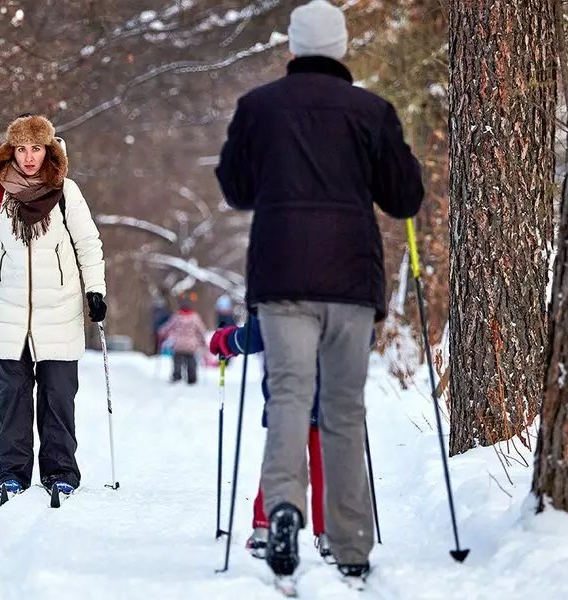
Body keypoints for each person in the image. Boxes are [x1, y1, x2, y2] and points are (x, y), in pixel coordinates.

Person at [214, 0, 424, 583]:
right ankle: (350, 541)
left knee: (287, 396)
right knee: (342, 410)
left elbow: (236, 189)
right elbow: (404, 198)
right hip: (352, 280)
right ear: (341, 48)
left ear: (292, 47)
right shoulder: (371, 111)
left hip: (282, 278)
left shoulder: (258, 108)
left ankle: (283, 509)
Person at [0, 114, 108, 503]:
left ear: (48, 150)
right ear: (11, 151)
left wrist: (95, 291)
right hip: (7, 314)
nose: (28, 158)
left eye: (36, 149)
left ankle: (60, 473)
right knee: (11, 400)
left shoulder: (67, 192)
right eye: (21, 149)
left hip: (59, 313)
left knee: (58, 399)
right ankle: (11, 473)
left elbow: (88, 243)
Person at [209, 316, 332, 563]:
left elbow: (254, 335)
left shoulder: (276, 283)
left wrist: (224, 340)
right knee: (325, 466)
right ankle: (330, 535)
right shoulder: (339, 288)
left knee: (282, 463)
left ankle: (264, 530)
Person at [157, 294, 208, 384]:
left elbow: (167, 327)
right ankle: (192, 379)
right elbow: (201, 330)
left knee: (177, 361)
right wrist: (203, 341)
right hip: (191, 345)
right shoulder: (195, 317)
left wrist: (161, 333)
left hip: (178, 344)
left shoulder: (177, 317)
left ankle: (177, 376)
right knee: (191, 362)